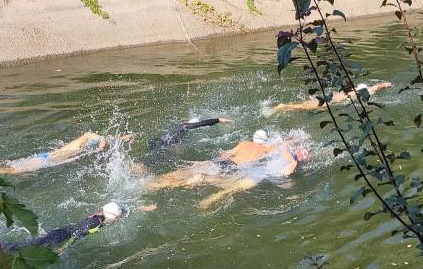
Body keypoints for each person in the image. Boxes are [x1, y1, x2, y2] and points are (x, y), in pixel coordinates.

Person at [146, 131, 311, 208]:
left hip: (219, 162)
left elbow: (225, 154)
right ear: (266, 141)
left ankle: (155, 183)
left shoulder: (244, 143)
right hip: (233, 169)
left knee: (188, 170)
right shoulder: (267, 151)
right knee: (202, 178)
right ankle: (191, 181)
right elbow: (281, 149)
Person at [0, 201, 128, 259]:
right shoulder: (96, 223)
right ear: (112, 217)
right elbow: (79, 233)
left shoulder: (99, 217)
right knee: (25, 247)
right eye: (118, 218)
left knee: (30, 245)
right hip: (61, 236)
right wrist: (65, 247)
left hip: (60, 232)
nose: (119, 220)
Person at [0, 132, 132, 175]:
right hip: (48, 159)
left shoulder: (90, 144)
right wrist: (101, 139)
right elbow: (87, 135)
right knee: (12, 171)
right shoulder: (82, 142)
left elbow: (111, 139)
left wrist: (124, 138)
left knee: (17, 171)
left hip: (48, 158)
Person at [269, 82, 392, 114]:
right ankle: (283, 106)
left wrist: (385, 85)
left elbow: (376, 87)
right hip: (328, 102)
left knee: (304, 104)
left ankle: (285, 107)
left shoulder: (351, 90)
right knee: (304, 108)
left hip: (328, 98)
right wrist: (385, 85)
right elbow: (375, 87)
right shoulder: (358, 93)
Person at [147, 117, 232, 151]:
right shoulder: (185, 126)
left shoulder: (175, 129)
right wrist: (219, 120)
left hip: (159, 143)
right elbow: (203, 123)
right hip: (164, 147)